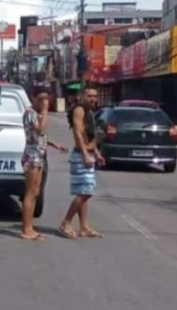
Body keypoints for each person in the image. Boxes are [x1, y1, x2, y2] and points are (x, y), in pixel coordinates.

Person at [20, 88, 68, 241]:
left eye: (46, 99)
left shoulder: (37, 114)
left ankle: (30, 227)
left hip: (39, 154)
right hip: (32, 156)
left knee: (36, 192)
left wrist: (55, 145)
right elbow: (40, 131)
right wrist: (46, 111)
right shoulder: (30, 113)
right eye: (40, 99)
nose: (43, 103)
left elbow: (42, 137)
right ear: (33, 98)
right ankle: (26, 229)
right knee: (31, 191)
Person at [58, 86, 105, 239]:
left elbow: (90, 136)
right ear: (82, 96)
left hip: (88, 153)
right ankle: (66, 222)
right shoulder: (79, 110)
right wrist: (85, 154)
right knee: (86, 192)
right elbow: (78, 133)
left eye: (95, 96)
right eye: (89, 95)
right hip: (81, 155)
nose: (93, 99)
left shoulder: (89, 112)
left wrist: (96, 153)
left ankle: (84, 227)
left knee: (83, 191)